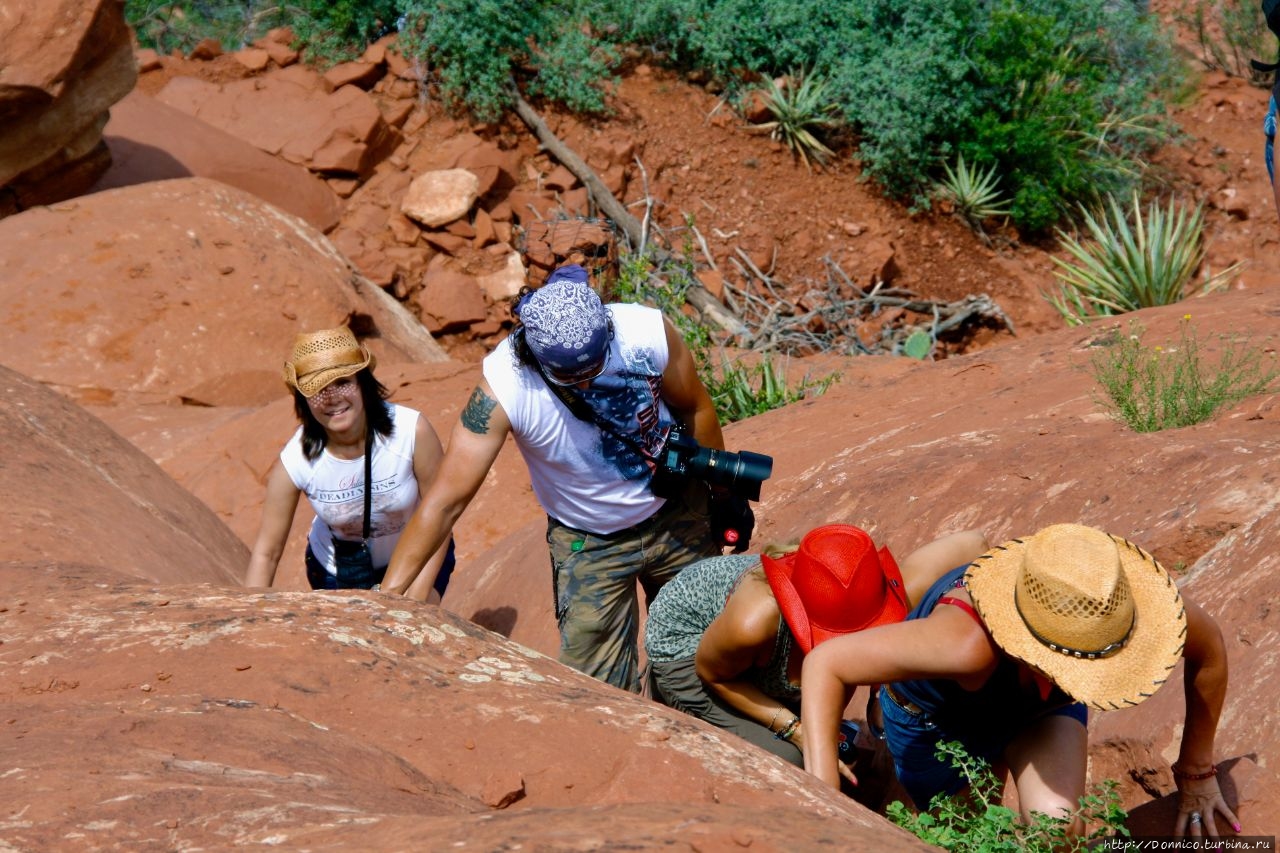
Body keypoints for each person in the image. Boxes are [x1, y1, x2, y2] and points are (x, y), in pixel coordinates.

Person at [382, 264, 744, 692]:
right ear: (536, 357)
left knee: (704, 657)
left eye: (598, 364)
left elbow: (695, 408)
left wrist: (725, 496)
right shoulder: (505, 389)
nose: (589, 381)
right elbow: (445, 500)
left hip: (677, 510)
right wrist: (387, 597)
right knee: (601, 690)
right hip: (590, 543)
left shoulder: (645, 332)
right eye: (574, 377)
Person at [801, 523, 1240, 840]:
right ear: (1030, 649)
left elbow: (1210, 648)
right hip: (936, 716)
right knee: (963, 833)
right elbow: (826, 663)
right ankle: (878, 754)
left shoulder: (1117, 606)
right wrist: (825, 812)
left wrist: (1197, 772)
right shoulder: (963, 642)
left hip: (1037, 710)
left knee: (1058, 829)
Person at [644, 524, 989, 768]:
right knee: (790, 761)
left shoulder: (866, 586)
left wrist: (877, 691)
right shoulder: (754, 620)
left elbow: (974, 542)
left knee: (835, 744)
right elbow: (712, 674)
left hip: (758, 656)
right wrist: (795, 731)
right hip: (692, 653)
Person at [246, 326, 456, 601]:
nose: (332, 398)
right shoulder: (297, 459)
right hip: (338, 571)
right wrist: (249, 614)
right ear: (303, 400)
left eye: (343, 382)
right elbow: (267, 552)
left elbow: (440, 514)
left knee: (419, 620)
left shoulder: (410, 432)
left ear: (363, 382)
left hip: (418, 557)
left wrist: (414, 600)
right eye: (318, 389)